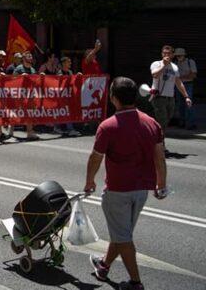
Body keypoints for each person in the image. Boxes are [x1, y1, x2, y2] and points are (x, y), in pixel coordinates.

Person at [84, 77, 168, 290]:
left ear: (113, 98)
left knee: (122, 235)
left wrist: (89, 181)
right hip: (142, 191)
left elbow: (96, 157)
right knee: (122, 232)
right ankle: (103, 266)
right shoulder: (151, 122)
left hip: (118, 190)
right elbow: (160, 157)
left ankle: (136, 283)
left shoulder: (108, 126)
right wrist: (161, 184)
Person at [149, 45, 192, 152]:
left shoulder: (174, 67)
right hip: (158, 97)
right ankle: (160, 145)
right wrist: (164, 65)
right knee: (162, 122)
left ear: (172, 55)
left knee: (167, 119)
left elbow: (178, 82)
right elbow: (155, 75)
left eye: (168, 54)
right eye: (164, 53)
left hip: (170, 98)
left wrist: (186, 96)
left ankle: (154, 139)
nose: (166, 55)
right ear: (161, 54)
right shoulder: (156, 64)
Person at [173, 48, 197, 129]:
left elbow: (193, 75)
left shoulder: (190, 62)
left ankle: (191, 123)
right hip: (178, 84)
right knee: (180, 104)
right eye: (177, 56)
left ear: (184, 55)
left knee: (188, 103)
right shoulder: (176, 63)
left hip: (188, 84)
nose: (178, 57)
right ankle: (182, 121)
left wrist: (180, 77)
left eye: (179, 56)